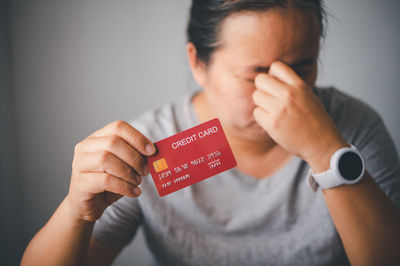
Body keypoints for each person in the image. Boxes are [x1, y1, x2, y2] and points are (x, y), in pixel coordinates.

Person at [21, 0, 400, 265]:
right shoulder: (148, 146)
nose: (288, 93)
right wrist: (75, 211)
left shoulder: (353, 127)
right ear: (198, 63)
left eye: (303, 67)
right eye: (257, 73)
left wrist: (327, 153)